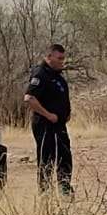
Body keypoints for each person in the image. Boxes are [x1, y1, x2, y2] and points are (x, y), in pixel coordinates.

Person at [24, 43, 72, 196]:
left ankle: (65, 189)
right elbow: (29, 98)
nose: (62, 61)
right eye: (59, 58)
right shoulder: (41, 74)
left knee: (65, 156)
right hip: (45, 125)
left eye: (63, 58)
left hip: (59, 125)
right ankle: (45, 193)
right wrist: (48, 115)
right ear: (49, 57)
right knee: (47, 159)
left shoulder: (56, 75)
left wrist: (66, 113)